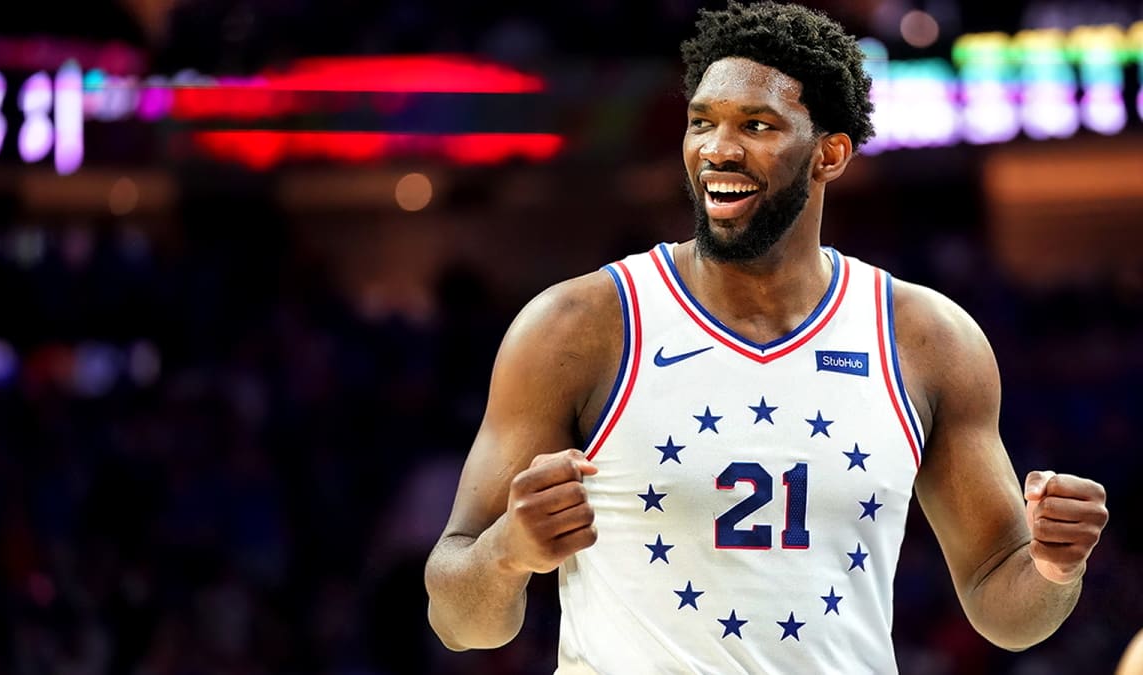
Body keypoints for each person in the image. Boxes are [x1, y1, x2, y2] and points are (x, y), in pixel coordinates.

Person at [423, 2, 1110, 672]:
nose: (718, 148)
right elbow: (457, 620)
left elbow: (1003, 606)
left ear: (829, 154)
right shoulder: (577, 326)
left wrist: (1054, 568)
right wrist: (507, 552)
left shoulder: (928, 339)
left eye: (756, 125)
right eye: (702, 122)